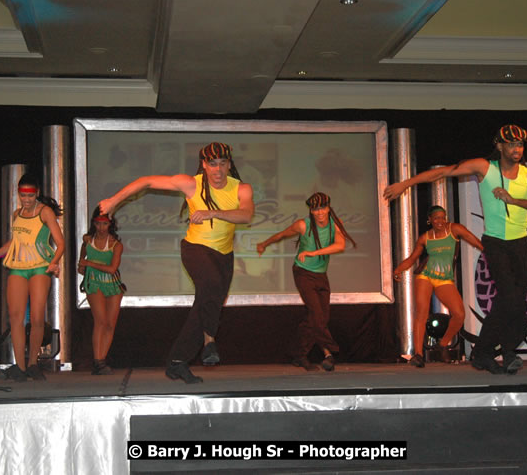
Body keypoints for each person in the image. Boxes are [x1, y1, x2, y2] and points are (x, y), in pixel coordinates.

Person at [384, 124, 527, 375]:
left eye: (520, 144)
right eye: (512, 144)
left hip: (520, 243)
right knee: (507, 297)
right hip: (495, 242)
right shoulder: (484, 167)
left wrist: (513, 200)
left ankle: (497, 350)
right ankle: (497, 352)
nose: (517, 149)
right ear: (500, 145)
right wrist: (406, 182)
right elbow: (444, 173)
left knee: (516, 302)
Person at [99, 142, 254, 384]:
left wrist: (213, 213)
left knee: (206, 303)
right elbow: (146, 181)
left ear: (229, 164)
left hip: (223, 255)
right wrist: (113, 201)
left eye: (223, 164)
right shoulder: (191, 183)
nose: (218, 170)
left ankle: (178, 361)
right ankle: (209, 341)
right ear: (204, 165)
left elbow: (246, 214)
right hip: (195, 249)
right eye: (212, 164)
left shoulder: (241, 189)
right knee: (211, 288)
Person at [256, 192, 357, 372]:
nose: (319, 213)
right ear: (311, 210)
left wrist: (313, 253)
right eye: (315, 209)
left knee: (319, 317)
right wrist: (264, 243)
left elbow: (340, 245)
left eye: (322, 208)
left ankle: (299, 354)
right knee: (316, 313)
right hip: (303, 273)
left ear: (328, 208)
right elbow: (281, 234)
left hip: (320, 275)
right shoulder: (303, 225)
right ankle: (331, 350)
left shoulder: (335, 224)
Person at [0, 174, 65, 382]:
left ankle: (33, 364)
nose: (25, 199)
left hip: (39, 267)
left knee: (37, 317)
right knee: (16, 317)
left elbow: (60, 243)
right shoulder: (17, 213)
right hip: (18, 266)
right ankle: (19, 366)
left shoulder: (44, 212)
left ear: (36, 194)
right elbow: (14, 242)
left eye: (29, 195)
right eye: (22, 195)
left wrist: (54, 262)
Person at [393, 205, 484, 367]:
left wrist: (489, 253)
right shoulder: (425, 237)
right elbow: (413, 258)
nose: (440, 221)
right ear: (430, 220)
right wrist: (398, 269)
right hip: (426, 276)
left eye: (443, 217)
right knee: (421, 313)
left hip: (444, 279)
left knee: (459, 314)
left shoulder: (454, 229)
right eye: (436, 218)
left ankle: (442, 344)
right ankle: (418, 355)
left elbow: (474, 240)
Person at [78, 207, 125, 375]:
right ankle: (97, 360)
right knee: (101, 320)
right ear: (94, 224)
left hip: (112, 283)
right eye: (98, 224)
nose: (101, 227)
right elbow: (82, 259)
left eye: (104, 224)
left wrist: (89, 264)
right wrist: (82, 264)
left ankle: (101, 360)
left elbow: (113, 268)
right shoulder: (88, 240)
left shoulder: (115, 244)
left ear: (110, 224)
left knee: (110, 324)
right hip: (94, 282)